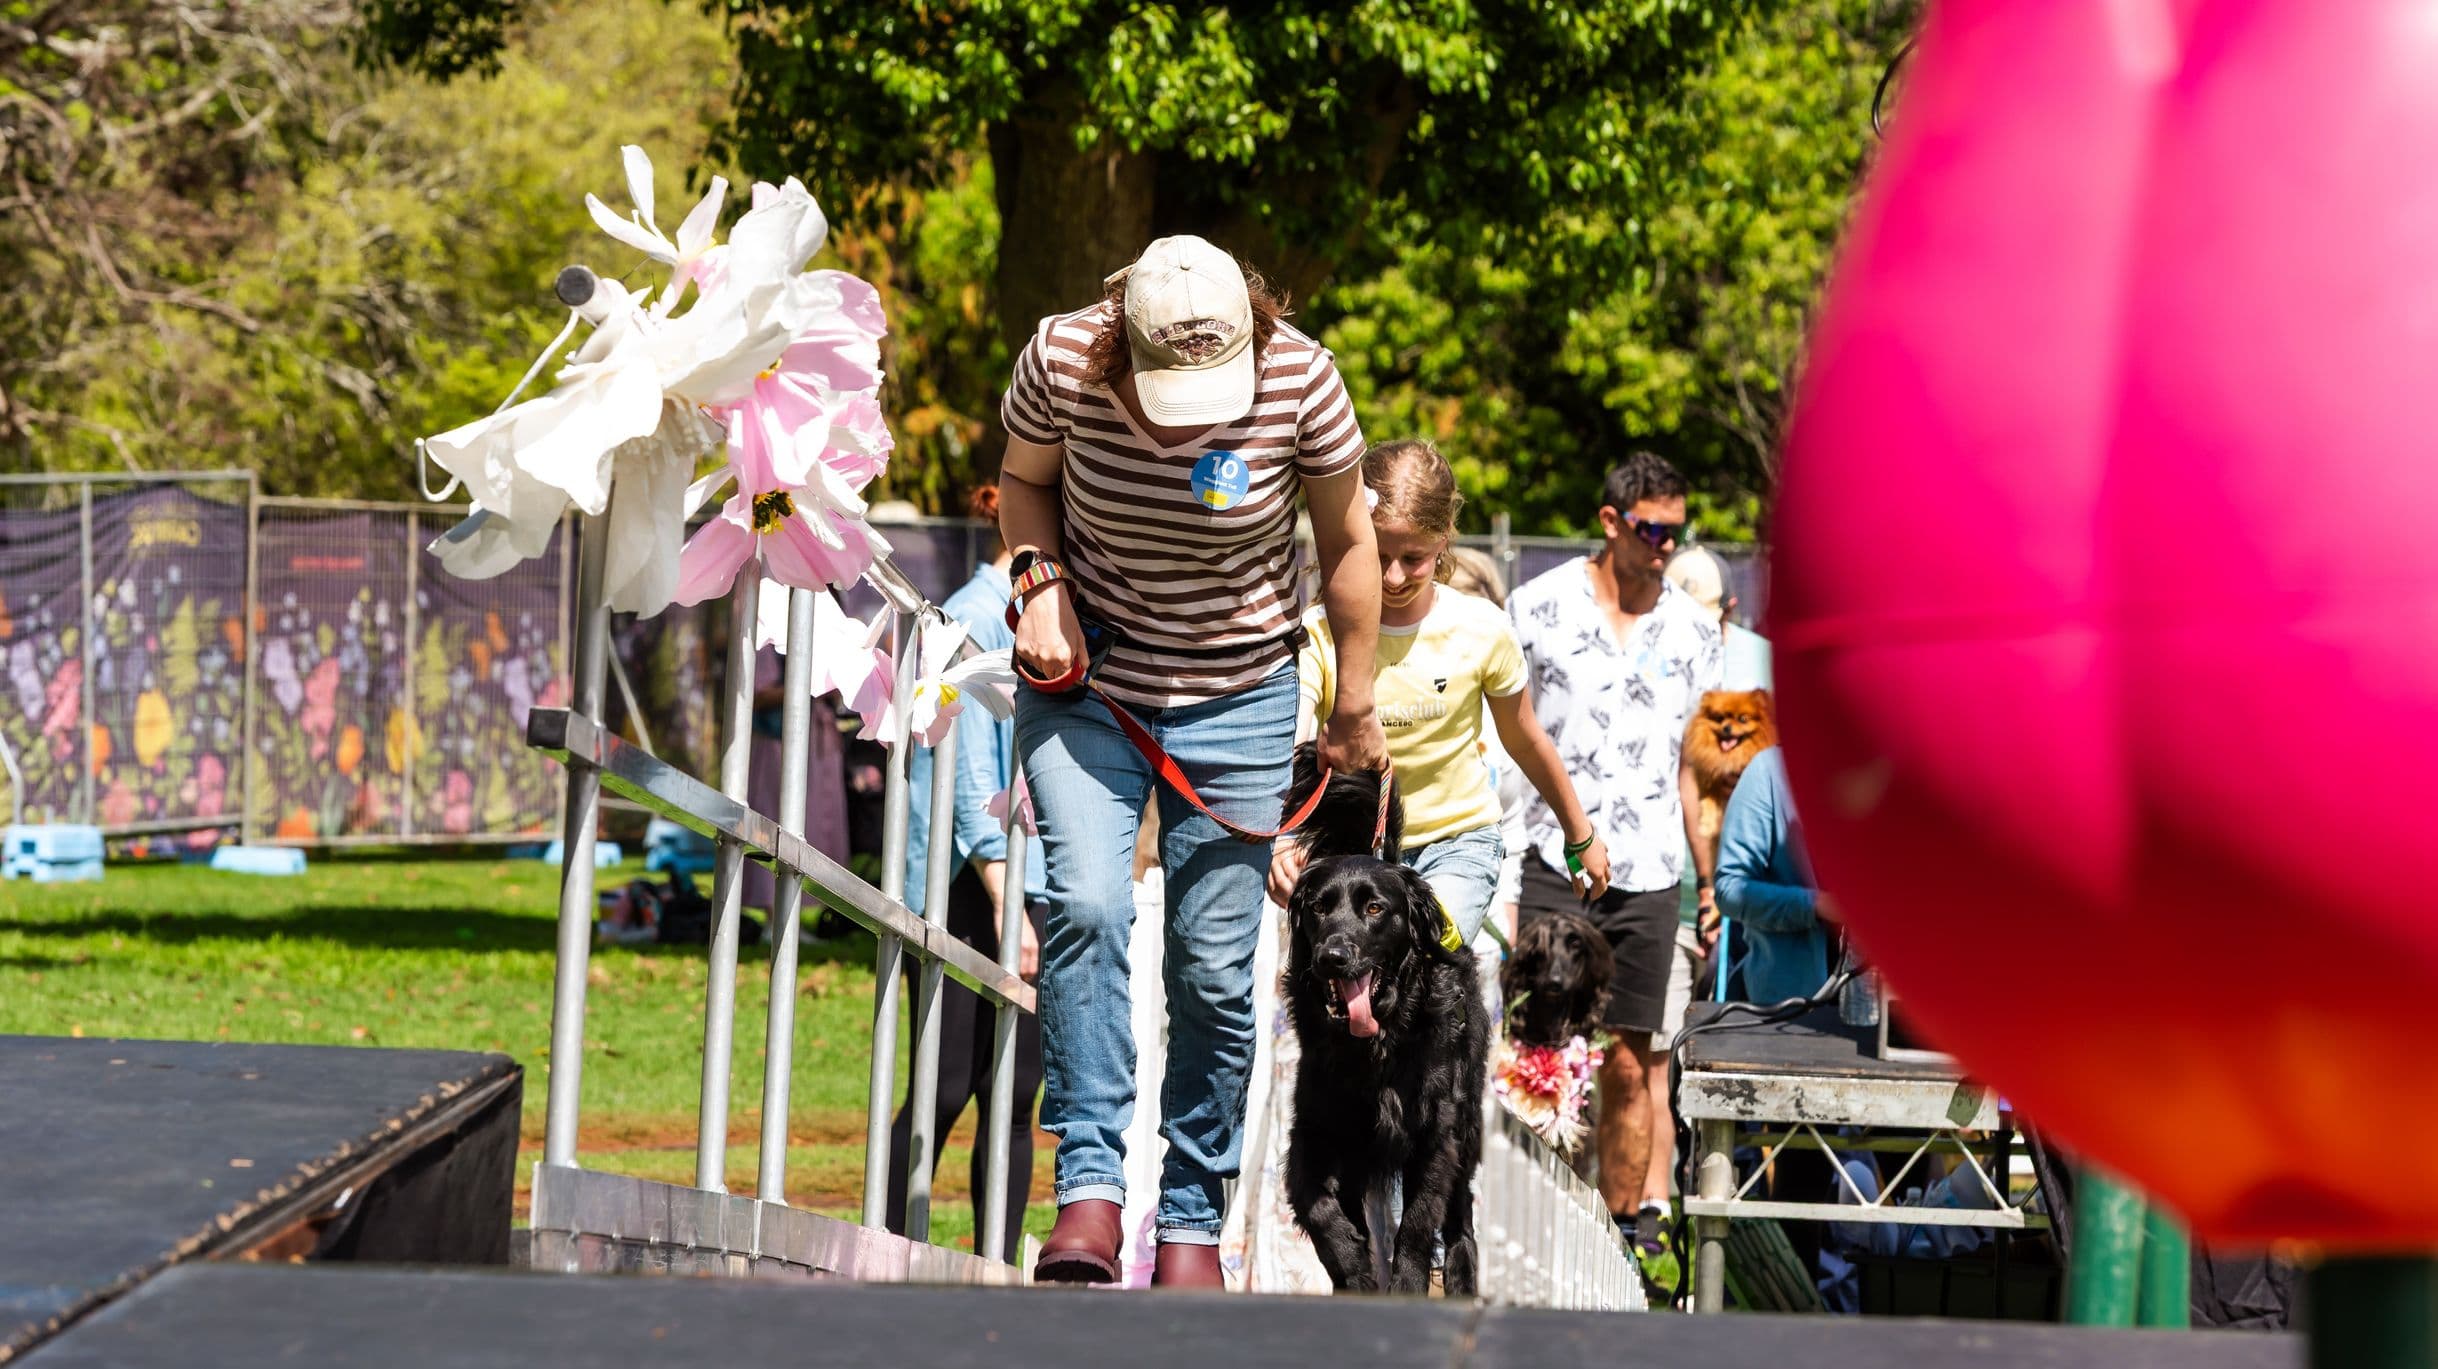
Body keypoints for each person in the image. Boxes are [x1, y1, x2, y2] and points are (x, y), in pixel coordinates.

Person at [997, 234, 1387, 1288]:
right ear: (1122, 340)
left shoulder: (1301, 377)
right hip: (1091, 681)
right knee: (1081, 904)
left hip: (1240, 695)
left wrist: (1352, 700)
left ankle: (1188, 1223)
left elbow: (1349, 542)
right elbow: (1021, 483)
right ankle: (1088, 1189)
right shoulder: (1062, 357)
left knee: (1213, 970)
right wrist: (1038, 587)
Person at [1267, 440, 1608, 951]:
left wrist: (1580, 835)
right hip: (1354, 850)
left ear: (1445, 539)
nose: (1393, 576)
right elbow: (1289, 735)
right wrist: (1285, 837)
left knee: (1422, 956)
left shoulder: (1481, 628)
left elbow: (1526, 739)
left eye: (1414, 558)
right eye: (1378, 555)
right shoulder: (1320, 632)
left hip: (1459, 842)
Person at [1507, 451, 1722, 1251]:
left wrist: (1709, 882)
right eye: (1649, 528)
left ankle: (1622, 1243)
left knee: (1633, 1066)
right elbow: (1506, 740)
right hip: (1551, 859)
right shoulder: (1537, 607)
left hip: (1650, 870)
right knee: (1540, 1055)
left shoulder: (1699, 633)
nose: (1665, 544)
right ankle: (1530, 1236)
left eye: (1677, 530)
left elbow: (1694, 772)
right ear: (1610, 522)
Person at [884, 485, 1047, 1262]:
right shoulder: (971, 618)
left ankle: (995, 1264)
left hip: (1028, 881)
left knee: (1014, 1097)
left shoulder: (1030, 617)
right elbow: (970, 767)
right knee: (946, 1086)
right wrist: (1006, 905)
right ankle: (882, 1247)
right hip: (973, 886)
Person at [1712, 746, 1834, 1005]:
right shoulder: (1769, 770)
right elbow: (1730, 889)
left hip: (1885, 1005)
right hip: (1788, 1006)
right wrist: (1817, 906)